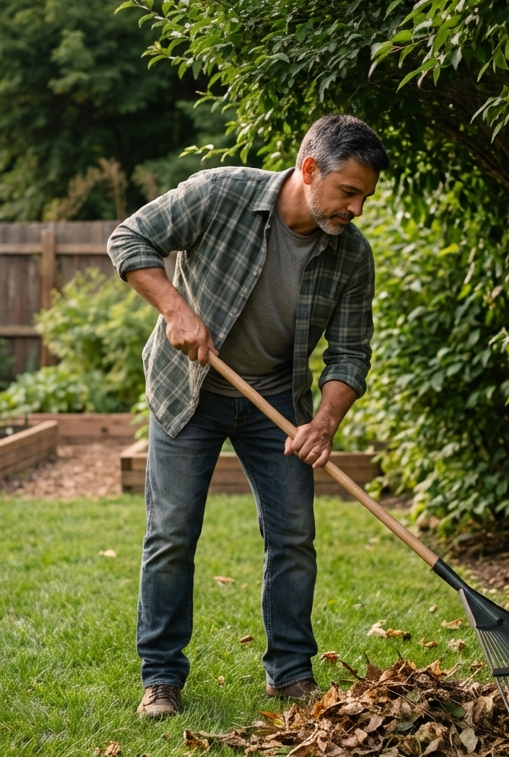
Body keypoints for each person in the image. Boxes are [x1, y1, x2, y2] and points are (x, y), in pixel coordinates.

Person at [107, 114, 388, 718]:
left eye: (364, 196)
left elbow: (350, 352)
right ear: (309, 170)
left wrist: (324, 424)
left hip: (277, 403)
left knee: (293, 536)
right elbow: (128, 240)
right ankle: (161, 677)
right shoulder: (221, 194)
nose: (357, 208)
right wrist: (177, 310)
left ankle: (290, 673)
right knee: (172, 532)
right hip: (191, 387)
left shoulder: (350, 256)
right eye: (348, 191)